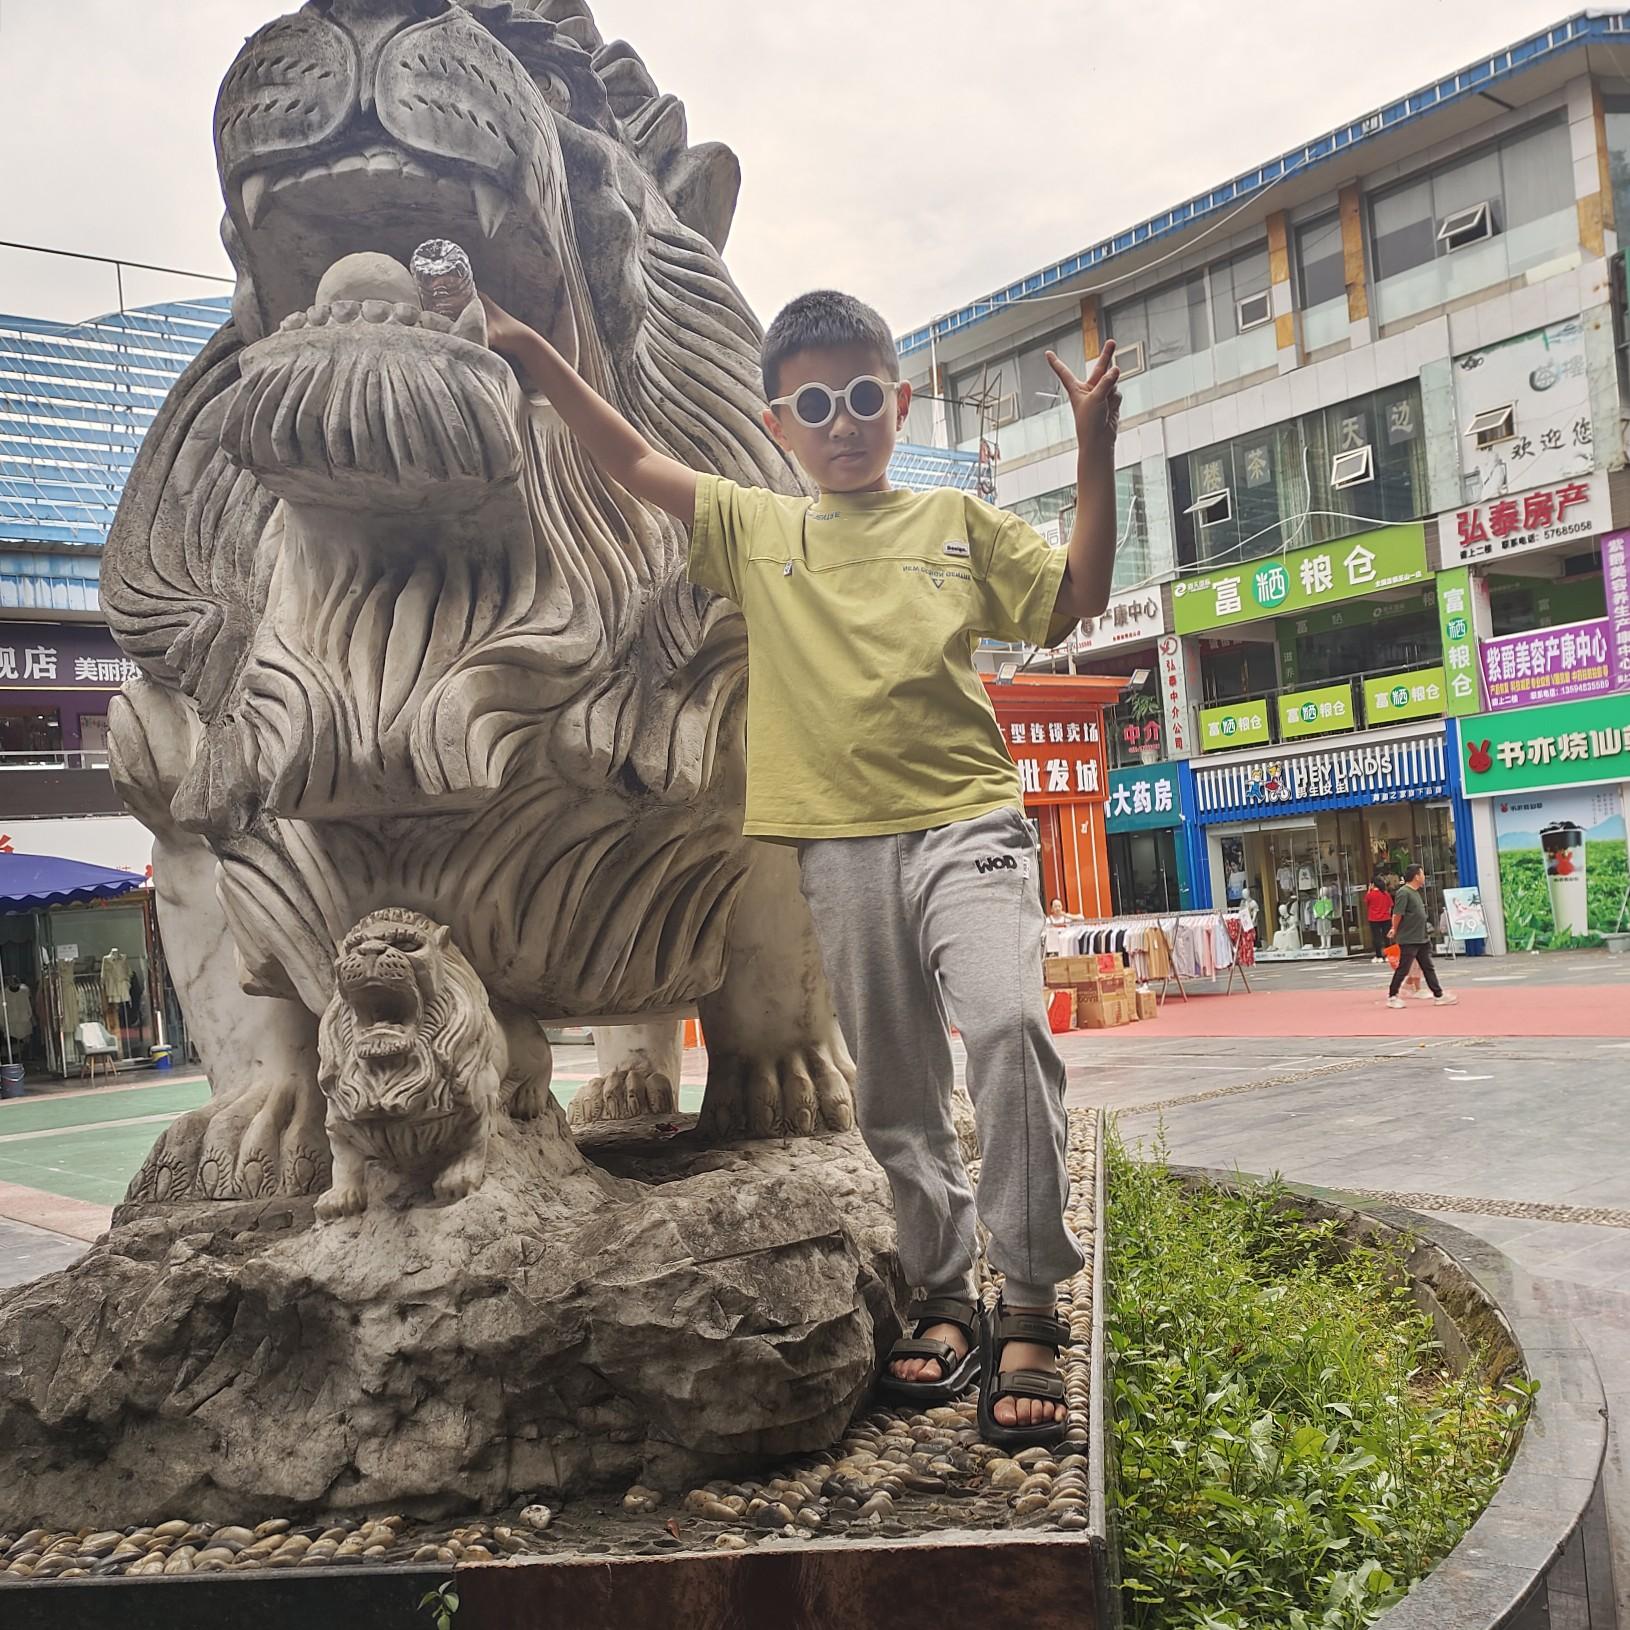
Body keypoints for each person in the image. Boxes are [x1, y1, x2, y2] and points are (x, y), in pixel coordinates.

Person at [481, 286, 1122, 1449]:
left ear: (899, 403)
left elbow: (1074, 600)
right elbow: (631, 460)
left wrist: (1093, 447)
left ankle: (1030, 1300)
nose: (843, 422)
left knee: (1008, 1026)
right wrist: (531, 348)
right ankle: (943, 1292)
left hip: (966, 823)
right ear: (779, 424)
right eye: (814, 405)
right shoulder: (759, 529)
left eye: (863, 396)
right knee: (895, 1089)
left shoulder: (955, 523)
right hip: (841, 846)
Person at [1386, 864, 1456, 1008]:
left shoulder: (1415, 892)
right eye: (1422, 874)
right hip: (1409, 938)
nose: (1424, 877)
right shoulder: (1403, 892)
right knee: (1404, 968)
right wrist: (1394, 928)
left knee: (1428, 967)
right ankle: (1392, 996)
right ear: (1416, 876)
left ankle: (1439, 995)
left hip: (1421, 937)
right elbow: (1397, 914)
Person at [1364, 875, 1393, 962]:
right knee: (1387, 937)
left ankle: (1379, 956)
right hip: (1386, 918)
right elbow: (1390, 906)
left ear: (1372, 884)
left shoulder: (1370, 895)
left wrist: (1369, 890)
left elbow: (1366, 902)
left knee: (1376, 938)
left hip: (1374, 919)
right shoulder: (1386, 894)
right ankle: (1388, 955)